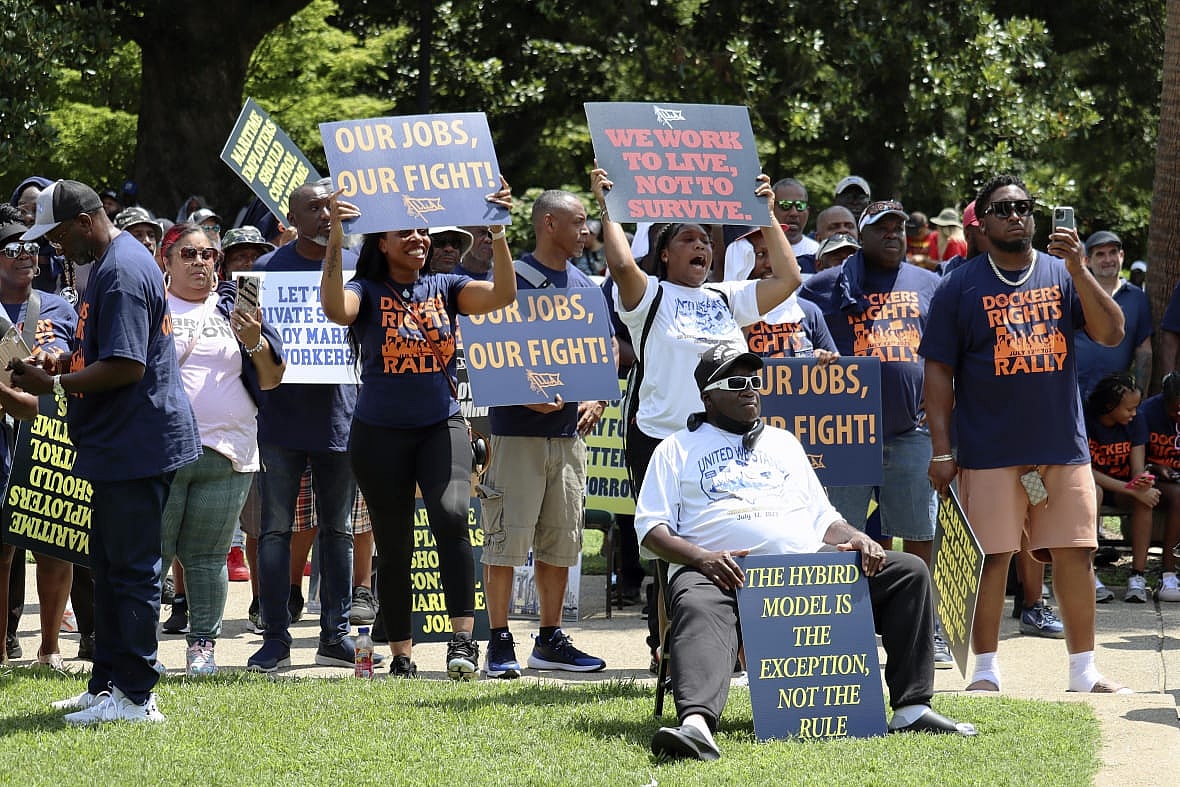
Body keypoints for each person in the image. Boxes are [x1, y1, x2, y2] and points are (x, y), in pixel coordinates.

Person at [636, 344, 975, 760]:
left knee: (907, 571)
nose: (751, 392)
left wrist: (857, 536)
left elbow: (823, 518)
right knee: (697, 598)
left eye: (756, 383)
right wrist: (701, 557)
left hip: (806, 572)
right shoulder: (675, 449)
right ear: (707, 396)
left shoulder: (783, 443)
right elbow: (651, 528)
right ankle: (697, 725)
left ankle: (912, 707)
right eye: (737, 383)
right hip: (725, 572)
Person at [921, 173, 1130, 695]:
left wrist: (1080, 267)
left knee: (1076, 553)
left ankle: (1084, 672)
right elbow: (938, 372)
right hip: (989, 450)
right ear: (983, 223)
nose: (1017, 215)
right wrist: (942, 450)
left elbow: (1112, 332)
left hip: (1061, 446)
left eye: (1024, 207)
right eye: (1003, 208)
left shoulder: (1064, 273)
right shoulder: (959, 285)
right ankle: (987, 672)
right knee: (992, 558)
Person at [13, 179, 200, 723]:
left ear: (82, 223)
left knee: (134, 571)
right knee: (110, 565)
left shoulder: (119, 271)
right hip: (124, 439)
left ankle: (136, 697)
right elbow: (105, 351)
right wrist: (63, 362)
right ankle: (106, 685)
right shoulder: (114, 262)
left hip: (137, 441)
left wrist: (54, 385)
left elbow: (126, 366)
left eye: (55, 236)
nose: (53, 248)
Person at [321, 179, 516, 679]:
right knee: (394, 543)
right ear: (380, 243)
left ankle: (461, 642)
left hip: (440, 425)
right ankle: (403, 654)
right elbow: (333, 310)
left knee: (452, 518)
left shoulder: (446, 287)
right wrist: (335, 241)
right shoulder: (364, 290)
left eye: (423, 231)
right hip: (378, 432)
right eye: (406, 231)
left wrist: (498, 234)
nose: (420, 239)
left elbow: (501, 295)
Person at [800, 199, 953, 667]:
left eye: (900, 227)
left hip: (912, 430)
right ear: (861, 236)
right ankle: (840, 624)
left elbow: (946, 352)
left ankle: (923, 629)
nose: (893, 235)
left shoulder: (930, 283)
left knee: (917, 531)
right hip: (845, 433)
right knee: (840, 534)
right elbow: (795, 328)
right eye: (882, 228)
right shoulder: (827, 285)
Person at [591, 167, 801, 494]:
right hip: (661, 440)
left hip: (723, 439)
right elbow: (621, 266)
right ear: (665, 253)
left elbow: (789, 279)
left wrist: (767, 215)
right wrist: (608, 206)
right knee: (661, 538)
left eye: (705, 240)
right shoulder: (651, 295)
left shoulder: (726, 297)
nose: (700, 245)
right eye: (687, 239)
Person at [477, 189, 611, 679]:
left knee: (561, 541)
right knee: (505, 542)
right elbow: (487, 351)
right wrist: (522, 394)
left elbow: (603, 353)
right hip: (516, 434)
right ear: (549, 223)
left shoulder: (585, 284)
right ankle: (498, 641)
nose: (586, 232)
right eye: (578, 222)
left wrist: (597, 396)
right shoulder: (511, 279)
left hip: (568, 440)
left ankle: (549, 639)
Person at [246, 178, 362, 673]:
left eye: (330, 206)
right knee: (274, 531)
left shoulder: (357, 270)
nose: (325, 213)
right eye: (314, 207)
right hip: (281, 422)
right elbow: (247, 349)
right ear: (292, 219)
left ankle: (334, 636)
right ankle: (275, 636)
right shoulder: (265, 271)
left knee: (338, 531)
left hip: (341, 418)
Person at [158, 223, 285, 675]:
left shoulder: (237, 308)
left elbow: (270, 379)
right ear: (165, 261)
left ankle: (202, 647)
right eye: (188, 255)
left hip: (229, 451)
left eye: (208, 255)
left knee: (208, 556)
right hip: (163, 451)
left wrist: (253, 339)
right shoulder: (151, 308)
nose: (199, 263)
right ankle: (139, 647)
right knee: (154, 551)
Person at [0, 204, 77, 668]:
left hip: (45, 429)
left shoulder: (57, 306)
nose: (27, 256)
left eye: (32, 246)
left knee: (51, 538)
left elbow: (74, 357)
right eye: (14, 249)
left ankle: (50, 650)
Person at [1084, 373, 1157, 603]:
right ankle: (1088, 574)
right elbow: (1085, 470)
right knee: (1095, 491)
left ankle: (1137, 575)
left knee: (1145, 497)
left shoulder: (1136, 421)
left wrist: (1142, 482)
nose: (1134, 413)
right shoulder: (1085, 419)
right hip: (1091, 484)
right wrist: (1130, 488)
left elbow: (1137, 467)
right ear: (1109, 406)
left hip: (1123, 487)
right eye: (1129, 409)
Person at [723, 224, 838, 362]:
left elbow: (838, 371)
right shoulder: (723, 316)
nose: (770, 264)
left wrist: (822, 359)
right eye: (760, 255)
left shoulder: (808, 312)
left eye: (775, 254)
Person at [1075, 230, 1152, 399]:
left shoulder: (1138, 298)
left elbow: (1144, 351)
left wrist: (1139, 394)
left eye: (1113, 253)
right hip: (1069, 395)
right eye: (1100, 254)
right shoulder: (1076, 293)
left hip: (1112, 403)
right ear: (1087, 261)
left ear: (1122, 256)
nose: (1108, 259)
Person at [1139, 372, 1180, 601]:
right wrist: (1155, 466)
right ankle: (1168, 573)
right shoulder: (1147, 412)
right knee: (1178, 496)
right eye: (1175, 410)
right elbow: (1134, 457)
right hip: (1155, 478)